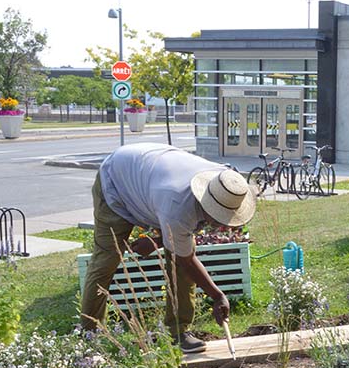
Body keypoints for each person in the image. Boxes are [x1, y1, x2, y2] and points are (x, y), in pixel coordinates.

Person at [80, 143, 256, 354]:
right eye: (220, 218)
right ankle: (90, 335)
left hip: (151, 180)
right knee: (106, 261)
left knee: (179, 258)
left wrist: (155, 242)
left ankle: (178, 332)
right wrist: (218, 296)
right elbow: (187, 259)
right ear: (205, 204)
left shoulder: (226, 183)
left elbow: (177, 238)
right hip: (117, 180)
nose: (224, 225)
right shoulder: (179, 205)